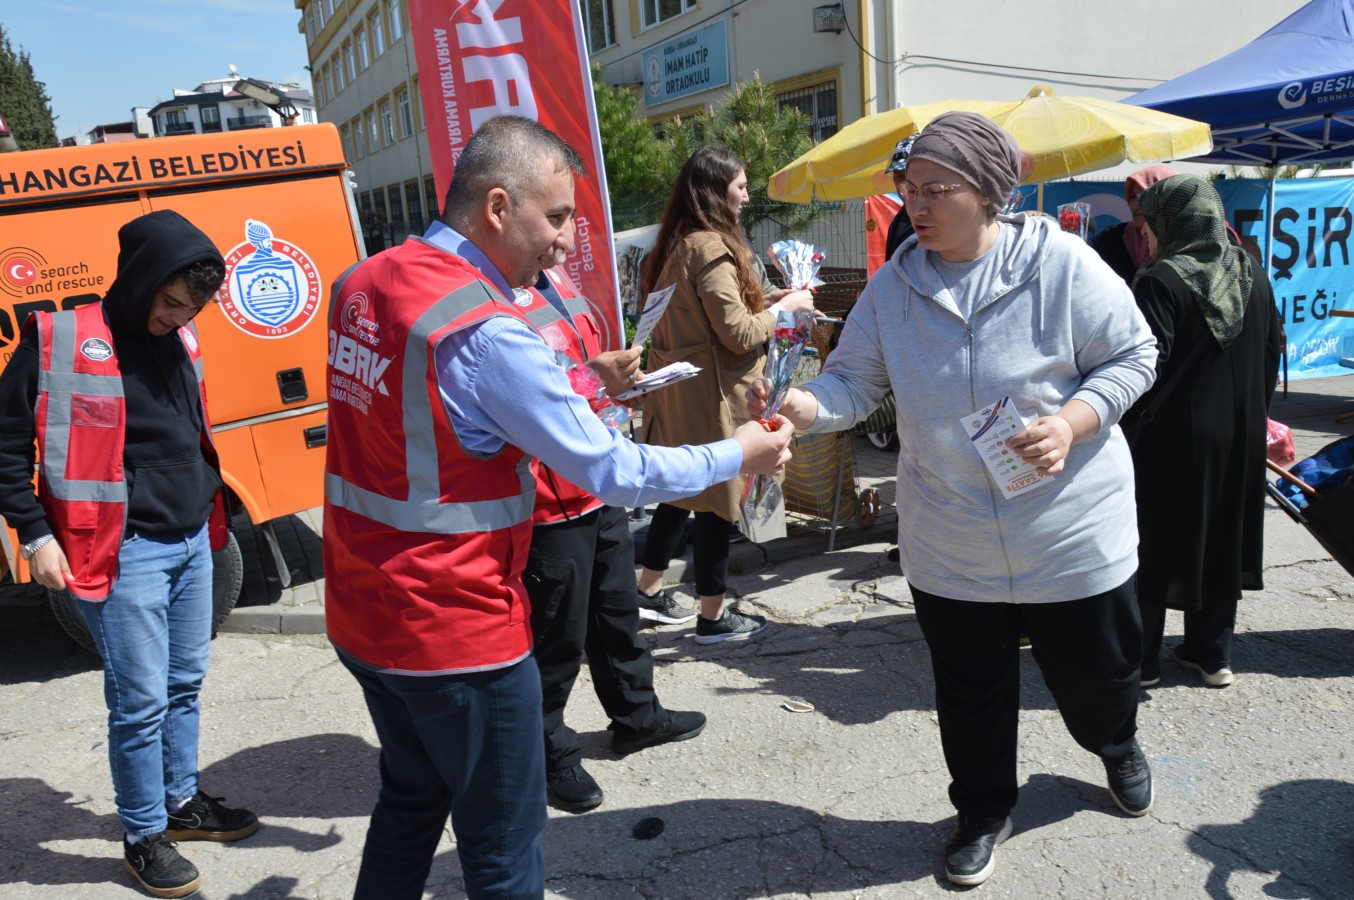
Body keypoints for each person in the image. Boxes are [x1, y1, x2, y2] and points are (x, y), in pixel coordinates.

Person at [322, 116, 795, 899]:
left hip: (364, 612)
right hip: (454, 625)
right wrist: (740, 450)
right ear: (499, 206)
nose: (571, 239)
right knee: (504, 847)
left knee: (409, 800)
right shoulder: (485, 328)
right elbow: (614, 469)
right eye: (559, 216)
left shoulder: (366, 281)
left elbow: (430, 428)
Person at [749, 111, 1159, 887]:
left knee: (1096, 675)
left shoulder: (1061, 263)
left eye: (938, 190)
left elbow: (1135, 353)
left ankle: (1116, 743)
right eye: (910, 189)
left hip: (1069, 530)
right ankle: (980, 812)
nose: (918, 206)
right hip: (951, 537)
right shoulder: (893, 286)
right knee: (971, 693)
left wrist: (1074, 421)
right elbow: (854, 383)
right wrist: (805, 406)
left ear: (990, 193)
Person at [0, 209, 259, 899]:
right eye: (169, 302)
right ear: (140, 278)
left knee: (183, 686)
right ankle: (145, 835)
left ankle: (182, 805)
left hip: (192, 541)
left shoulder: (182, 338)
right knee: (139, 702)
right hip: (125, 552)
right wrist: (35, 534)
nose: (177, 318)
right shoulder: (59, 339)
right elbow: (4, 447)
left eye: (191, 308)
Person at [519, 264, 706, 815]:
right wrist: (589, 374)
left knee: (617, 613)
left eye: (568, 216)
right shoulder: (490, 296)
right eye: (553, 217)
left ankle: (636, 716)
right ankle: (547, 752)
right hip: (546, 499)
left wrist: (622, 386)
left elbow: (583, 371)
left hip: (597, 484)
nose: (563, 235)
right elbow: (532, 393)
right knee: (556, 640)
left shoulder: (556, 280)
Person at [634, 146, 814, 643]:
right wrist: (787, 309)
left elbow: (714, 316)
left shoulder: (674, 244)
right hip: (712, 395)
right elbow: (736, 333)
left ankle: (647, 592)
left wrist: (770, 300)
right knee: (718, 501)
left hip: (678, 393)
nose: (747, 195)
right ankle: (712, 617)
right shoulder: (711, 245)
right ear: (716, 191)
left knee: (679, 492)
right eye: (740, 186)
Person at [1127, 174, 1282, 688]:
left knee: (1153, 538)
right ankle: (1212, 655)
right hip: (1240, 433)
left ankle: (1143, 661)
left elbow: (1144, 367)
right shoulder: (1250, 272)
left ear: (1170, 222)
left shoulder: (1160, 280)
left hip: (1173, 439)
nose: (1144, 236)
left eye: (1147, 224)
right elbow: (1273, 348)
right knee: (1221, 533)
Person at [1089, 166, 1180, 286]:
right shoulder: (1114, 238)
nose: (1134, 205)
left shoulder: (1184, 246)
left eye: (1143, 196)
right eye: (1132, 196)